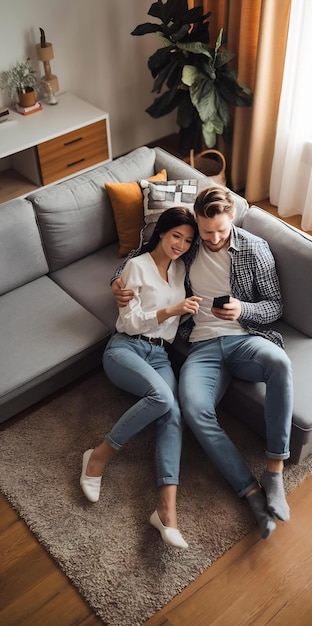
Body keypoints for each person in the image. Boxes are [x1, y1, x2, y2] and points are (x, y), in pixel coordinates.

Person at [111, 187, 293, 541]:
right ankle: (249, 492)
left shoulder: (255, 249)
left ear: (232, 219)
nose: (213, 238)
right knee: (193, 410)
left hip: (245, 338)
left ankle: (274, 470)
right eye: (206, 230)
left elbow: (275, 306)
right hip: (202, 346)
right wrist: (116, 282)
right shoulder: (190, 242)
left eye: (221, 230)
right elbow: (141, 256)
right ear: (197, 220)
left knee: (280, 364)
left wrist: (244, 309)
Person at [80, 206, 201, 549]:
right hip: (126, 348)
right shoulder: (136, 266)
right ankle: (98, 456)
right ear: (161, 232)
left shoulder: (180, 271)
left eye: (187, 240)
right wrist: (172, 310)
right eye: (176, 235)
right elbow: (130, 322)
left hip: (159, 354)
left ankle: (166, 512)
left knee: (173, 414)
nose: (180, 244)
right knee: (162, 398)